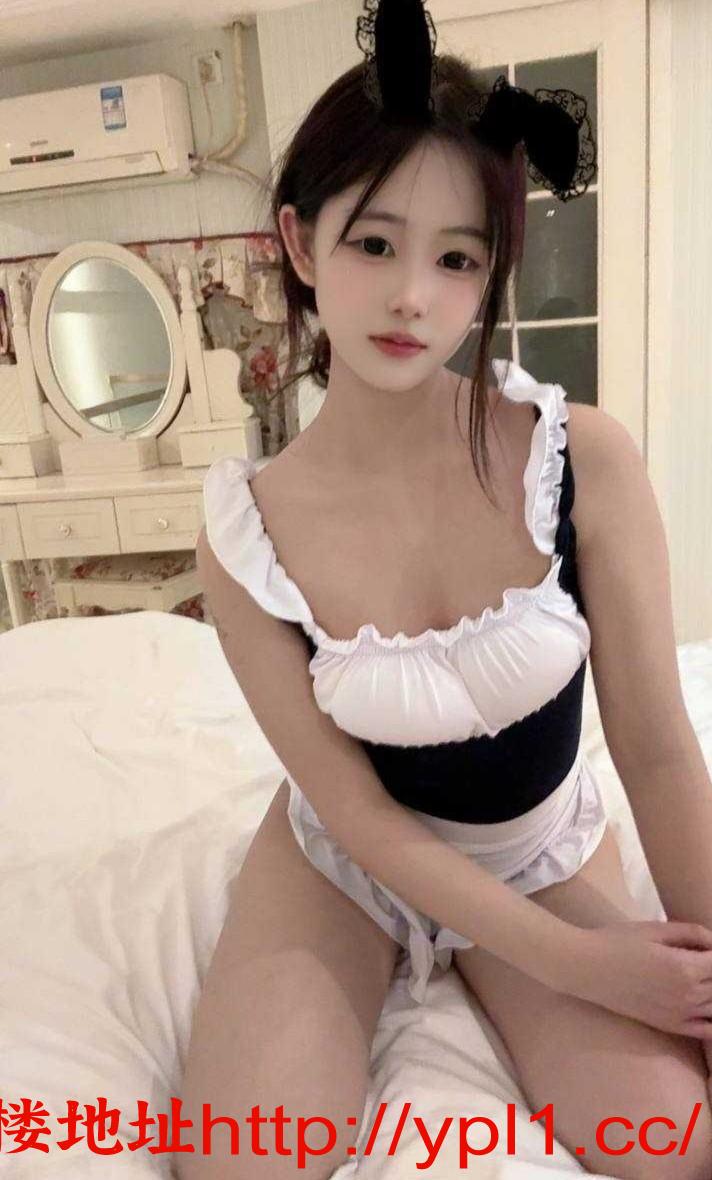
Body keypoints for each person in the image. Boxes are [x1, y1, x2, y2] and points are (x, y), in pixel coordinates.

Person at [176, 4, 712, 1177]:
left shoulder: (580, 458)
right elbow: (360, 815)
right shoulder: (247, 533)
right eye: (374, 244)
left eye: (457, 258)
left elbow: (657, 745)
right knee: (243, 1160)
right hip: (346, 855)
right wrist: (584, 965)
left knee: (672, 1146)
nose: (413, 296)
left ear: (487, 280)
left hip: (534, 845)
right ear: (300, 242)